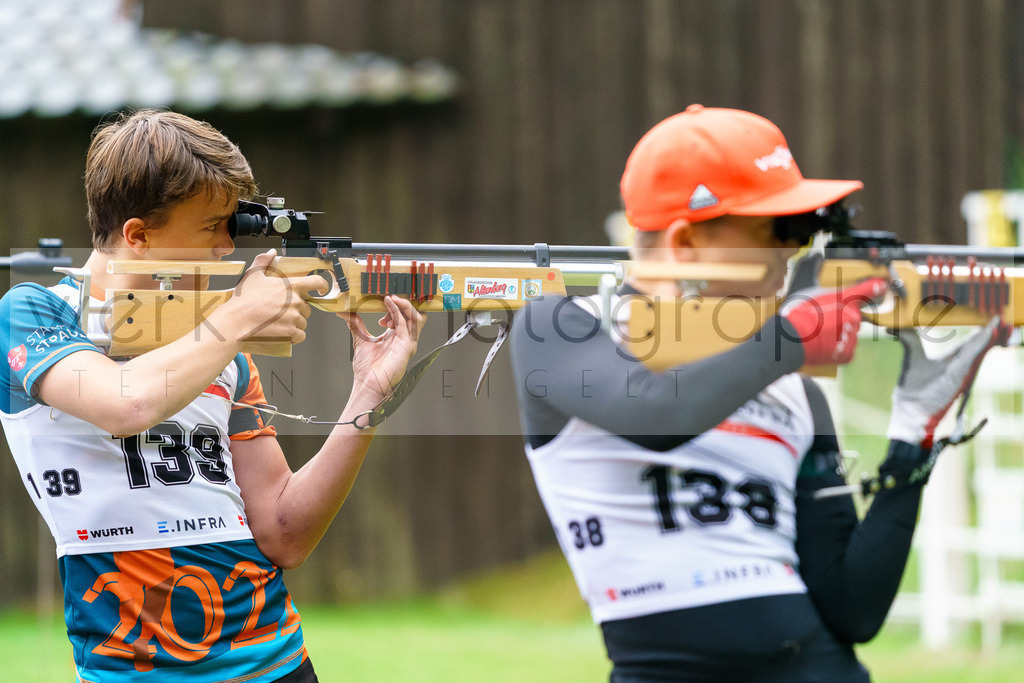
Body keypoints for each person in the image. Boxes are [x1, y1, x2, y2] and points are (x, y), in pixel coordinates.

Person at [510, 104, 1008, 681]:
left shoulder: (794, 389)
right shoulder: (561, 325)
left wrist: (914, 435)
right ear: (685, 242)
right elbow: (655, 414)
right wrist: (792, 335)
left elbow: (853, 609)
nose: (793, 253)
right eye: (776, 231)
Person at [0, 109, 424, 682]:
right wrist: (237, 319)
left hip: (277, 664)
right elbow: (125, 405)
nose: (229, 247)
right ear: (139, 236)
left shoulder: (219, 346)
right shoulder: (34, 311)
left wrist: (368, 395)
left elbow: (283, 534)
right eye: (211, 227)